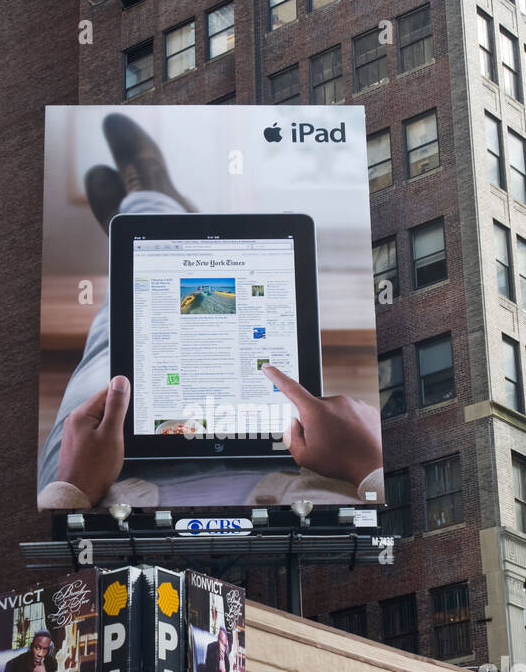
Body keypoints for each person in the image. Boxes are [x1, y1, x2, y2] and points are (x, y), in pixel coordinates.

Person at [37, 114, 385, 511]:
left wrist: (71, 491)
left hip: (114, 488)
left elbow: (54, 542)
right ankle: (152, 208)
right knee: (127, 328)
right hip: (298, 476)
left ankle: (150, 213)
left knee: (113, 338)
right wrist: (368, 464)